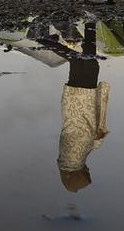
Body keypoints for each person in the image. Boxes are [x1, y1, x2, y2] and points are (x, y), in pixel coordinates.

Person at [29, 21, 110, 192]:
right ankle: (48, 39)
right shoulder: (73, 160)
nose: (88, 170)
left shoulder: (72, 160)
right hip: (79, 102)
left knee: (87, 62)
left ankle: (45, 38)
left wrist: (97, 139)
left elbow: (82, 134)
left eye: (86, 174)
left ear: (77, 175)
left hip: (80, 103)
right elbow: (89, 138)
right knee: (83, 60)